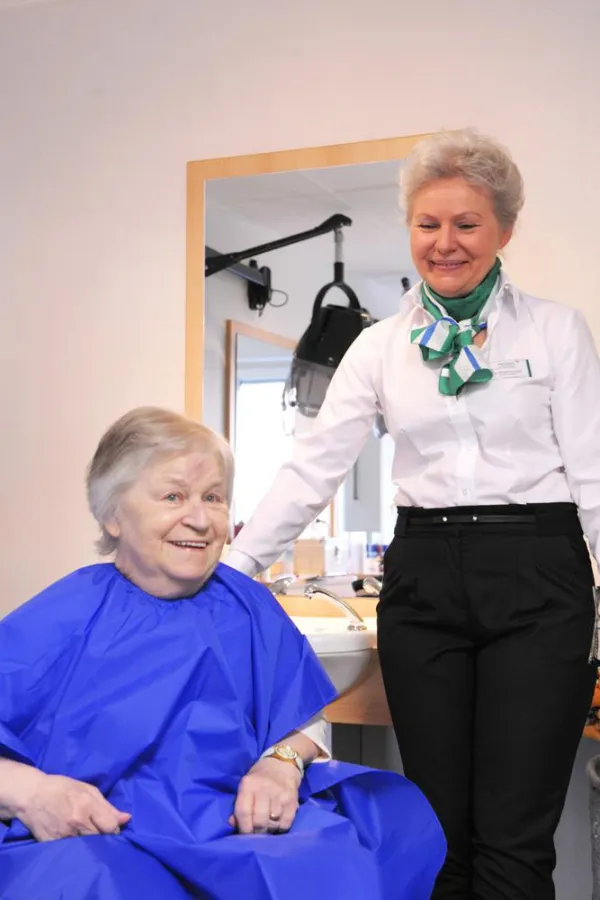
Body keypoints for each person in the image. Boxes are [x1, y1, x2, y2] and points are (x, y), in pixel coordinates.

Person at [226, 128, 600, 899]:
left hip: (539, 571)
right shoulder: (380, 346)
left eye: (467, 224)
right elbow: (313, 467)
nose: (446, 243)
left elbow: (594, 474)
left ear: (505, 230)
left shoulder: (554, 331)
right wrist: (234, 572)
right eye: (429, 224)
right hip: (425, 577)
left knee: (513, 839)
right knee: (434, 831)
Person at [0, 407, 445, 900]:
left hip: (233, 823)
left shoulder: (247, 604)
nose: (199, 517)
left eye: (213, 497)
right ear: (112, 514)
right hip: (107, 835)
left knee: (335, 859)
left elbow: (302, 719)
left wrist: (279, 764)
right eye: (173, 496)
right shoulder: (61, 617)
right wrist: (34, 794)